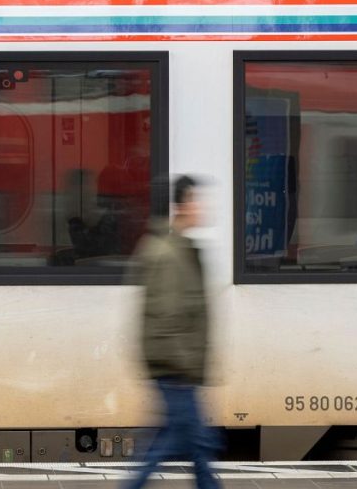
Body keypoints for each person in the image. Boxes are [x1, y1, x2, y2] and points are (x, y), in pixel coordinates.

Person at [125, 175, 220, 489]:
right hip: (176, 371)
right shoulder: (169, 255)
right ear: (182, 206)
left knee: (191, 445)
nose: (201, 208)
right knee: (191, 444)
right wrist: (183, 370)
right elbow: (166, 319)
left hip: (180, 370)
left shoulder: (182, 250)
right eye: (196, 201)